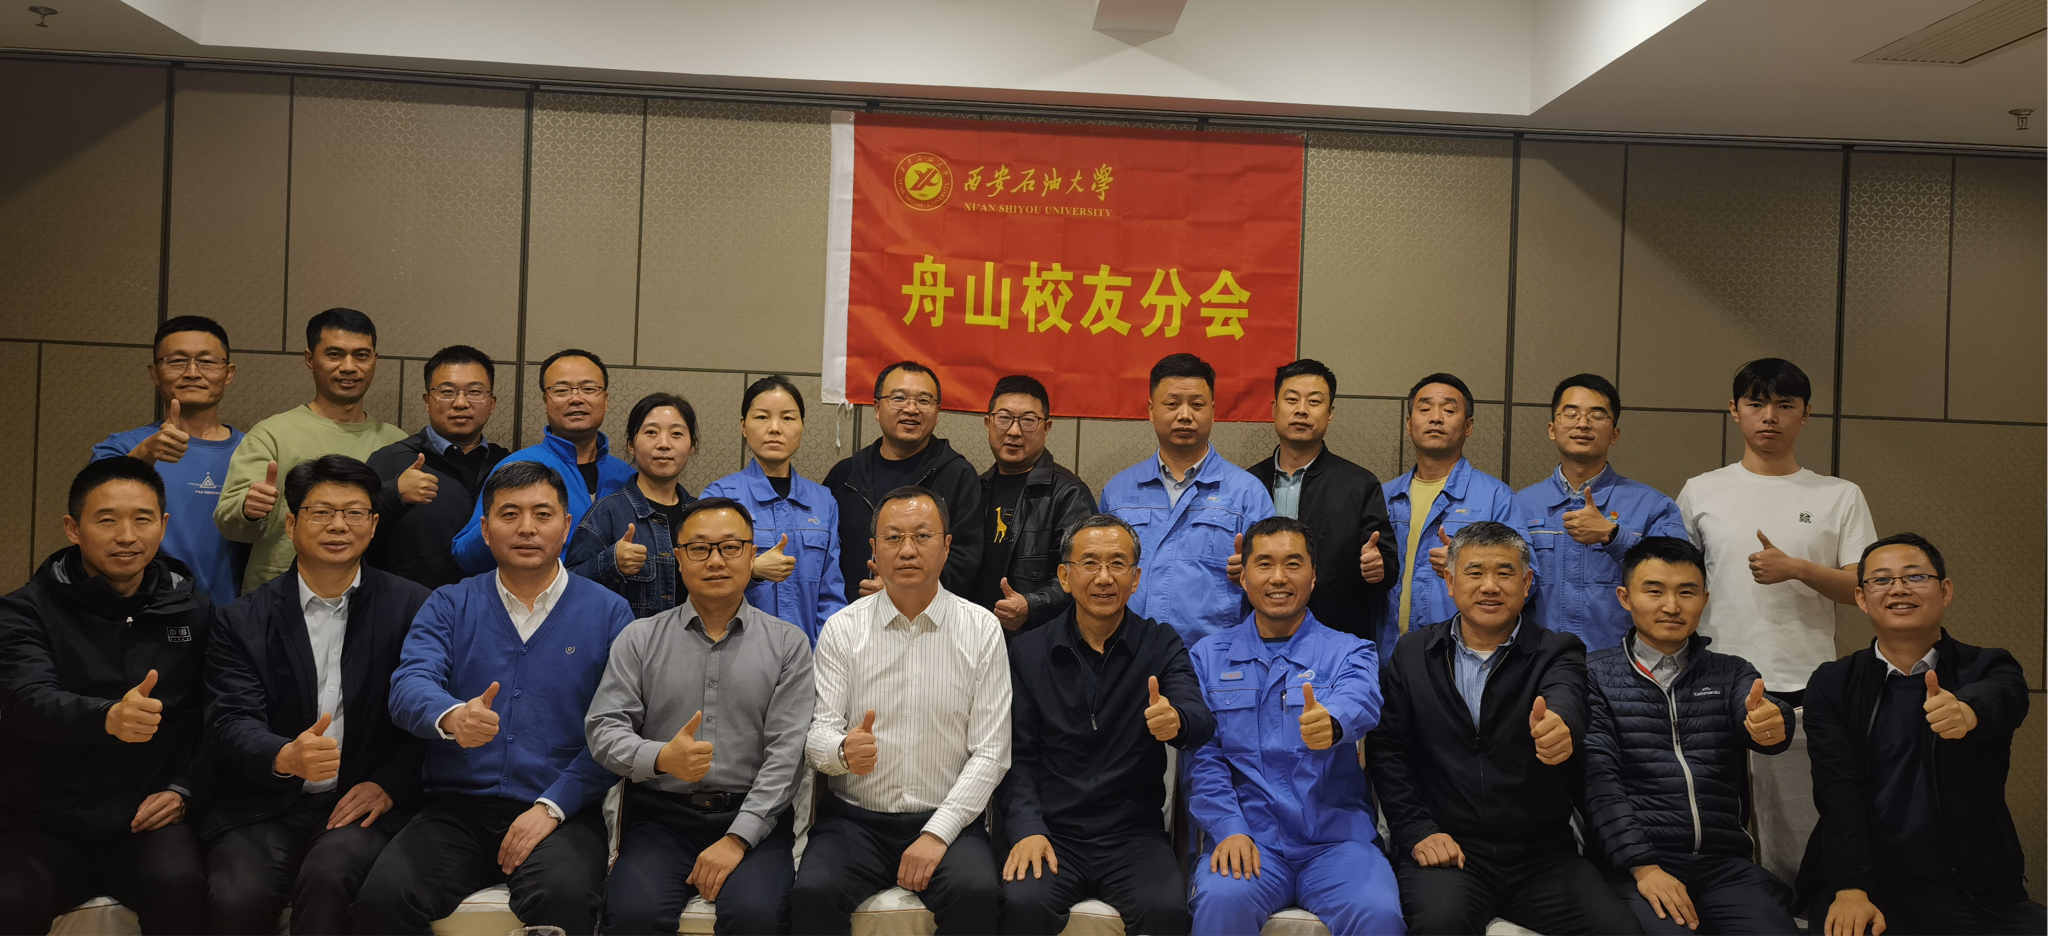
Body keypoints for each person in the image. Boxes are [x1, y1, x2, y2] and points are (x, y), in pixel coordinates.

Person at [359, 461, 635, 935]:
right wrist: (451, 716)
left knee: (565, 897)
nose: (527, 528)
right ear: (485, 530)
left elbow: (618, 728)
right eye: (510, 514)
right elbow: (409, 685)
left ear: (566, 526)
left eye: (542, 514)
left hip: (561, 810)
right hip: (455, 810)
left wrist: (552, 807)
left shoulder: (609, 612)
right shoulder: (450, 603)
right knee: (383, 898)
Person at [1369, 520, 1637, 936]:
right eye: (1475, 572)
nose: (1490, 586)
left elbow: (1566, 697)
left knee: (1617, 930)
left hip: (1541, 856)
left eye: (1505, 573)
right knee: (1440, 924)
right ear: (1450, 582)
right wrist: (1418, 831)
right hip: (1448, 848)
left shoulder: (1557, 651)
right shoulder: (1414, 653)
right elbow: (1388, 749)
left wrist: (1559, 726)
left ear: (1526, 584)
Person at [201, 455, 431, 935]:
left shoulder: (415, 607)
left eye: (354, 512)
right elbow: (229, 719)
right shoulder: (241, 619)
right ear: (291, 523)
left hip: (362, 800)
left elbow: (428, 714)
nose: (338, 526)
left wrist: (391, 783)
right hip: (264, 805)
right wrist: (283, 754)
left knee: (330, 881)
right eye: (321, 512)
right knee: (237, 897)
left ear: (374, 524)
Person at [0, 457, 212, 934]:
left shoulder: (195, 612)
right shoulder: (23, 611)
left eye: (142, 519)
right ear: (72, 528)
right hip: (41, 821)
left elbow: (215, 719)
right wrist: (107, 717)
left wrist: (185, 790)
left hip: (147, 821)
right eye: (107, 520)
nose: (127, 536)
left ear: (164, 525)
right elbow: (24, 699)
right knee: (8, 899)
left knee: (183, 884)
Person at [586, 497, 815, 935]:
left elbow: (788, 754)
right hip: (660, 821)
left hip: (756, 820)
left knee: (756, 916)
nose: (715, 560)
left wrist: (737, 838)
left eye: (730, 547)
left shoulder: (789, 644)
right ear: (678, 558)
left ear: (751, 554)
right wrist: (660, 757)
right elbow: (603, 729)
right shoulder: (639, 639)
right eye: (699, 548)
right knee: (633, 917)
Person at [1800, 533, 2046, 937]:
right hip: (1872, 884)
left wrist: (1967, 711)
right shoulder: (1833, 682)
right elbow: (1837, 789)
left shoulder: (1988, 666)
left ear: (1945, 591)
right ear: (1862, 598)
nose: (1898, 588)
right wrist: (1851, 888)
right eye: (1881, 580)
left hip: (1972, 888)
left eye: (1915, 576)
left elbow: (2004, 697)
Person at [790, 486, 1010, 935]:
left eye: (922, 536)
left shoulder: (982, 628)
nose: (907, 550)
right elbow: (817, 734)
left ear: (947, 546)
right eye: (893, 538)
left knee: (977, 893)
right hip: (854, 822)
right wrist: (842, 752)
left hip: (948, 818)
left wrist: (937, 833)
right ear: (874, 549)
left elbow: (991, 752)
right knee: (811, 892)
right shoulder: (843, 628)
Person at [1185, 516, 1404, 936]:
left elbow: (1362, 699)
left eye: (1293, 564)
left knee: (1378, 912)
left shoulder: (1351, 650)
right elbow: (1203, 760)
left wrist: (1333, 722)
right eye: (1264, 564)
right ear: (1243, 575)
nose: (1278, 578)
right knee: (1220, 900)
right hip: (1249, 838)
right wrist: (1228, 829)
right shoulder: (1206, 657)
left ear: (1314, 575)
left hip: (1337, 842)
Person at [999, 514, 1214, 936]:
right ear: (1065, 576)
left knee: (1166, 911)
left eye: (1117, 564)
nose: (1103, 577)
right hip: (1053, 831)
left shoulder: (1160, 643)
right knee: (1022, 903)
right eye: (1090, 563)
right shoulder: (1028, 651)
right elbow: (1017, 756)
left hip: (1133, 835)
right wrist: (1027, 829)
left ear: (1135, 579)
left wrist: (1177, 720)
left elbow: (1200, 719)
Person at [1582, 536, 1798, 935]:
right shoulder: (1592, 675)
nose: (1671, 606)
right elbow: (1598, 781)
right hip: (1636, 865)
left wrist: (1772, 723)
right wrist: (1643, 867)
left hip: (1724, 864)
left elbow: (1758, 713)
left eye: (1686, 592)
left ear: (1704, 599)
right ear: (1625, 598)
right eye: (1654, 591)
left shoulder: (1731, 671)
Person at [1676, 358, 1876, 701]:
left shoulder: (1840, 495)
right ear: (1734, 409)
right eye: (1756, 404)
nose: (1769, 416)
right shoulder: (1700, 491)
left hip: (1805, 673)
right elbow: (1674, 580)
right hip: (1713, 670)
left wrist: (1797, 568)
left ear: (1805, 412)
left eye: (1784, 405)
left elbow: (1864, 589)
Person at [215, 307, 409, 593]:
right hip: (278, 597)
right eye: (334, 354)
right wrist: (248, 509)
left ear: (375, 360)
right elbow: (228, 522)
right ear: (310, 359)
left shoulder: (397, 442)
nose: (349, 366)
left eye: (361, 355)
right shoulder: (272, 434)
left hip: (369, 599)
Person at [1100, 353, 1274, 646]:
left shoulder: (1247, 493)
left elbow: (1275, 581)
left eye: (1196, 404)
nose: (1184, 415)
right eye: (1172, 404)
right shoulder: (1118, 491)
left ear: (1213, 411)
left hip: (1215, 656)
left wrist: (1253, 572)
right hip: (1125, 651)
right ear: (1151, 410)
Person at [1517, 374, 1687, 652]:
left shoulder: (1654, 506)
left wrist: (1613, 535)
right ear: (1552, 429)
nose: (1583, 424)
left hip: (1625, 662)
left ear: (1615, 434)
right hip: (1540, 661)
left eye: (1597, 415)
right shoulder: (1520, 505)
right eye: (1571, 413)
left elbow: (1677, 581)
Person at [93, 315, 246, 607]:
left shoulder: (254, 451)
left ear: (228, 373)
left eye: (207, 361)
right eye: (177, 361)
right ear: (155, 373)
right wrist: (145, 455)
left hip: (230, 618)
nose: (192, 373)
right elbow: (93, 510)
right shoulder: (120, 447)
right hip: (142, 615)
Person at [1240, 358, 1397, 643]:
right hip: (1257, 635)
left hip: (1335, 639)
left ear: (1330, 413)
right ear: (1274, 409)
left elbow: (1386, 566)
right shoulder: (1246, 483)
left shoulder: (1359, 485)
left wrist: (1378, 568)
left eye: (1314, 401)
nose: (1301, 410)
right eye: (1292, 400)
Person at [452, 348, 634, 574]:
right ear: (545, 401)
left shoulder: (627, 476)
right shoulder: (516, 467)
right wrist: (505, 519)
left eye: (588, 389)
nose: (576, 399)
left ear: (605, 399)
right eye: (561, 390)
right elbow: (466, 556)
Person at [700, 375, 846, 644]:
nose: (775, 428)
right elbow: (700, 578)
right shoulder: (719, 497)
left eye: (788, 418)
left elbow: (831, 593)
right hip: (735, 651)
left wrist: (825, 653)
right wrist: (751, 570)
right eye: (762, 417)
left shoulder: (823, 500)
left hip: (809, 653)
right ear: (743, 426)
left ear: (802, 426)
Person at [824, 361, 984, 600]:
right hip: (848, 615)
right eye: (899, 398)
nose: (911, 409)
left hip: (927, 618)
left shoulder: (958, 476)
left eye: (923, 400)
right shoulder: (845, 475)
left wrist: (901, 592)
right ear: (877, 408)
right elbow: (823, 556)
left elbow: (964, 560)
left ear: (937, 412)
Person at [1384, 372, 1519, 648]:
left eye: (1448, 410)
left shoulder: (1496, 497)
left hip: (1457, 652)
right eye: (1424, 409)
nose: (1436, 418)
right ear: (1409, 424)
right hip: (1387, 651)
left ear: (1468, 426)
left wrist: (1467, 563)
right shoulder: (1383, 495)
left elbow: (1527, 579)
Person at [365, 345, 510, 590]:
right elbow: (353, 530)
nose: (461, 403)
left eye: (475, 391)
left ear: (492, 403)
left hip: (492, 603)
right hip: (414, 604)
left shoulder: (509, 466)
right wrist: (394, 494)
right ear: (427, 401)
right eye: (447, 391)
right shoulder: (391, 460)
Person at [970, 374, 1095, 635]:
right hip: (973, 636)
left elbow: (1082, 571)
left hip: (1037, 641)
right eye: (1004, 418)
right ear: (988, 423)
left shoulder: (1069, 494)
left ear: (1046, 428)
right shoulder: (974, 488)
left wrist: (1032, 605)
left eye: (1028, 421)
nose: (1014, 431)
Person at [565, 392, 699, 619]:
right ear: (631, 445)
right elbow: (568, 587)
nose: (664, 444)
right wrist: (610, 563)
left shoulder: (700, 515)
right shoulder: (607, 512)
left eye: (676, 434)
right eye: (651, 432)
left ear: (691, 447)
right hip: (627, 641)